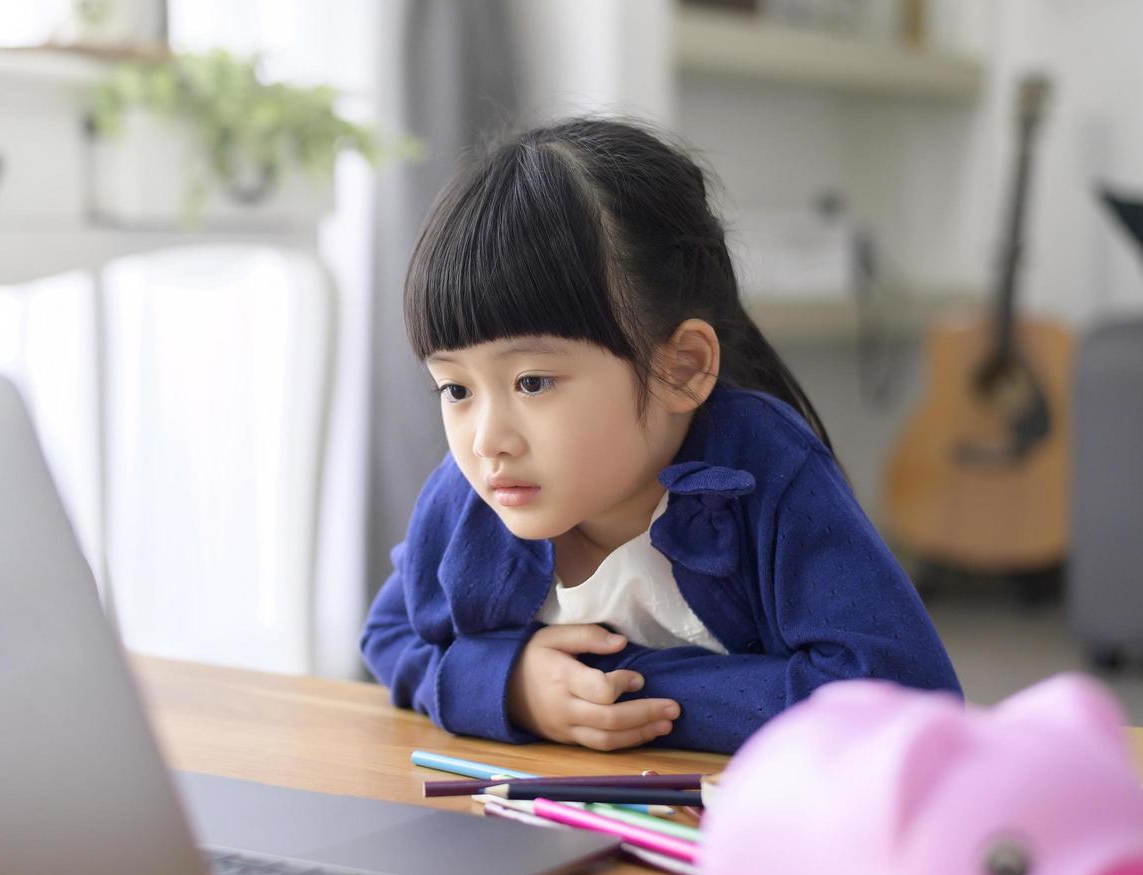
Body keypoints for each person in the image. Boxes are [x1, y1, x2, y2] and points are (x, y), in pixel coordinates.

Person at [360, 116, 962, 755]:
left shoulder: (767, 474)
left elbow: (906, 699)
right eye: (456, 390)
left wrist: (618, 686)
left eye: (533, 382)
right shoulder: (472, 494)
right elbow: (390, 632)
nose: (486, 440)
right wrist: (510, 686)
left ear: (682, 368)